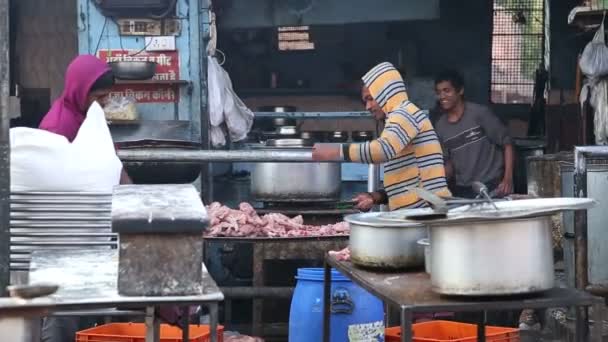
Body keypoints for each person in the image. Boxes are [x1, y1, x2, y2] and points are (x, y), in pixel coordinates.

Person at [37, 54, 131, 342]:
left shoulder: (89, 119)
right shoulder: (58, 126)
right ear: (80, 89)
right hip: (65, 233)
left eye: (106, 97)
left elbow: (110, 164)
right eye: (99, 97)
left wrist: (136, 198)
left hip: (88, 228)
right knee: (62, 308)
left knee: (83, 306)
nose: (103, 104)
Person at [312, 62, 451, 210]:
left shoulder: (404, 113)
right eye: (365, 101)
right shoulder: (397, 118)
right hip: (416, 215)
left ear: (384, 93)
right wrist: (374, 197)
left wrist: (336, 151)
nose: (368, 107)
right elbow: (405, 185)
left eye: (370, 99)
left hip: (427, 214)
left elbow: (382, 150)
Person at [39, 54, 132, 184]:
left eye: (108, 95)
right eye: (99, 96)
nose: (106, 101)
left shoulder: (87, 114)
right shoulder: (57, 128)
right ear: (80, 92)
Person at [433, 69, 513, 198]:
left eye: (446, 91)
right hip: (464, 190)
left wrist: (507, 179)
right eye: (438, 92)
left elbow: (507, 144)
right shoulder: (440, 126)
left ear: (460, 91)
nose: (442, 96)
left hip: (492, 186)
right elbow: (449, 164)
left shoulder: (480, 114)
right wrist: (434, 186)